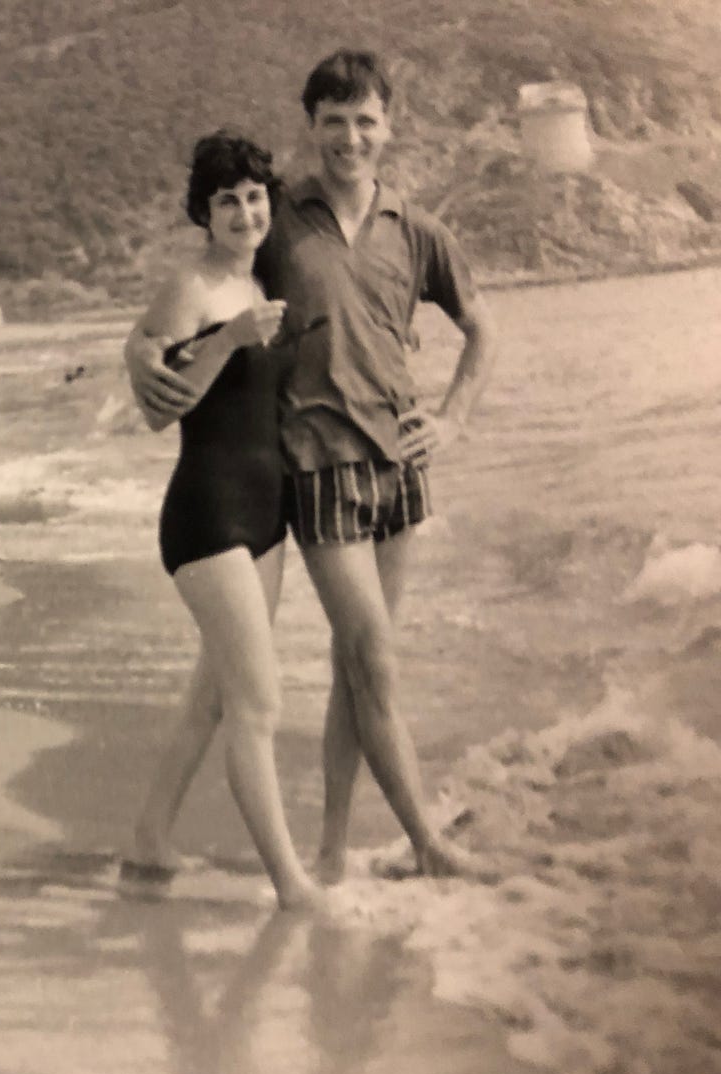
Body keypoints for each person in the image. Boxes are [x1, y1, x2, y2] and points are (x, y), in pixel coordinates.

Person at [126, 51, 498, 883]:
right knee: (372, 655)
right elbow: (196, 291)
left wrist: (455, 416)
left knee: (355, 665)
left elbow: (482, 327)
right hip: (317, 470)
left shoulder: (418, 228)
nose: (351, 138)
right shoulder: (278, 216)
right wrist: (137, 348)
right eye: (334, 121)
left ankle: (330, 850)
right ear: (313, 128)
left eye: (366, 120)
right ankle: (428, 842)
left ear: (389, 126)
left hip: (400, 464)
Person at [122, 132, 321, 912]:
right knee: (259, 704)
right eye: (227, 201)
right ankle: (292, 885)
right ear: (203, 214)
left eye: (253, 197)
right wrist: (227, 340)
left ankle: (148, 838)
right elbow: (156, 406)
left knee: (212, 697)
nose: (244, 211)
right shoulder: (192, 288)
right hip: (206, 516)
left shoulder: (267, 275)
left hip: (266, 515)